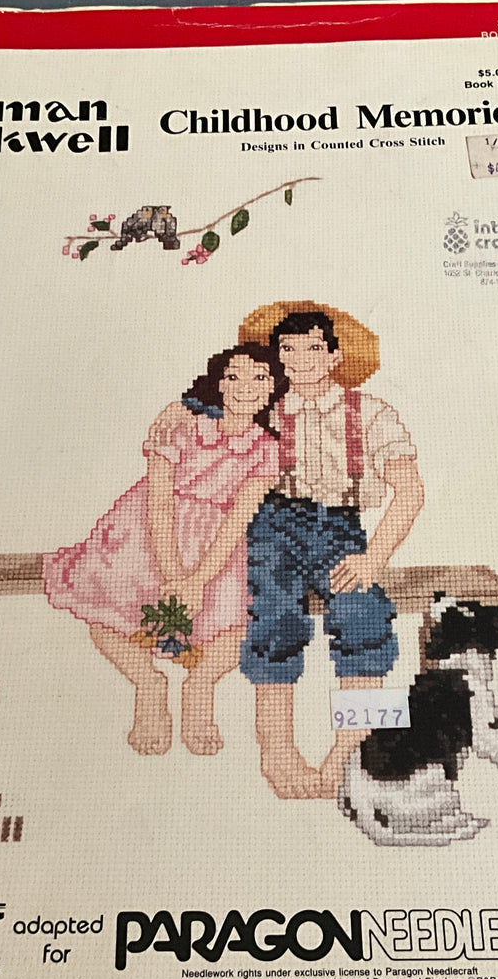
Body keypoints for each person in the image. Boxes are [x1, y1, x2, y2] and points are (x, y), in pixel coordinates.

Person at [154, 303, 424, 799]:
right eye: (288, 350)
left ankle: (354, 749)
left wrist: (374, 557)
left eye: (313, 348)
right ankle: (278, 751)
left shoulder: (370, 412)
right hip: (273, 526)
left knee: (364, 618)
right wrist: (180, 407)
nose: (300, 360)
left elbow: (410, 491)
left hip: (342, 530)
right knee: (275, 622)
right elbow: (210, 401)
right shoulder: (264, 406)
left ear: (335, 355)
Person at [43, 343, 285, 756]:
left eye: (260, 378)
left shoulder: (265, 447)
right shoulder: (181, 427)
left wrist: (198, 581)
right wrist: (173, 576)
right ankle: (147, 683)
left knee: (242, 625)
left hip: (217, 548)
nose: (246, 387)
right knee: (106, 612)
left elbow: (239, 517)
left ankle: (200, 684)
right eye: (234, 376)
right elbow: (158, 499)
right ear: (218, 384)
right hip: (150, 533)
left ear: (272, 389)